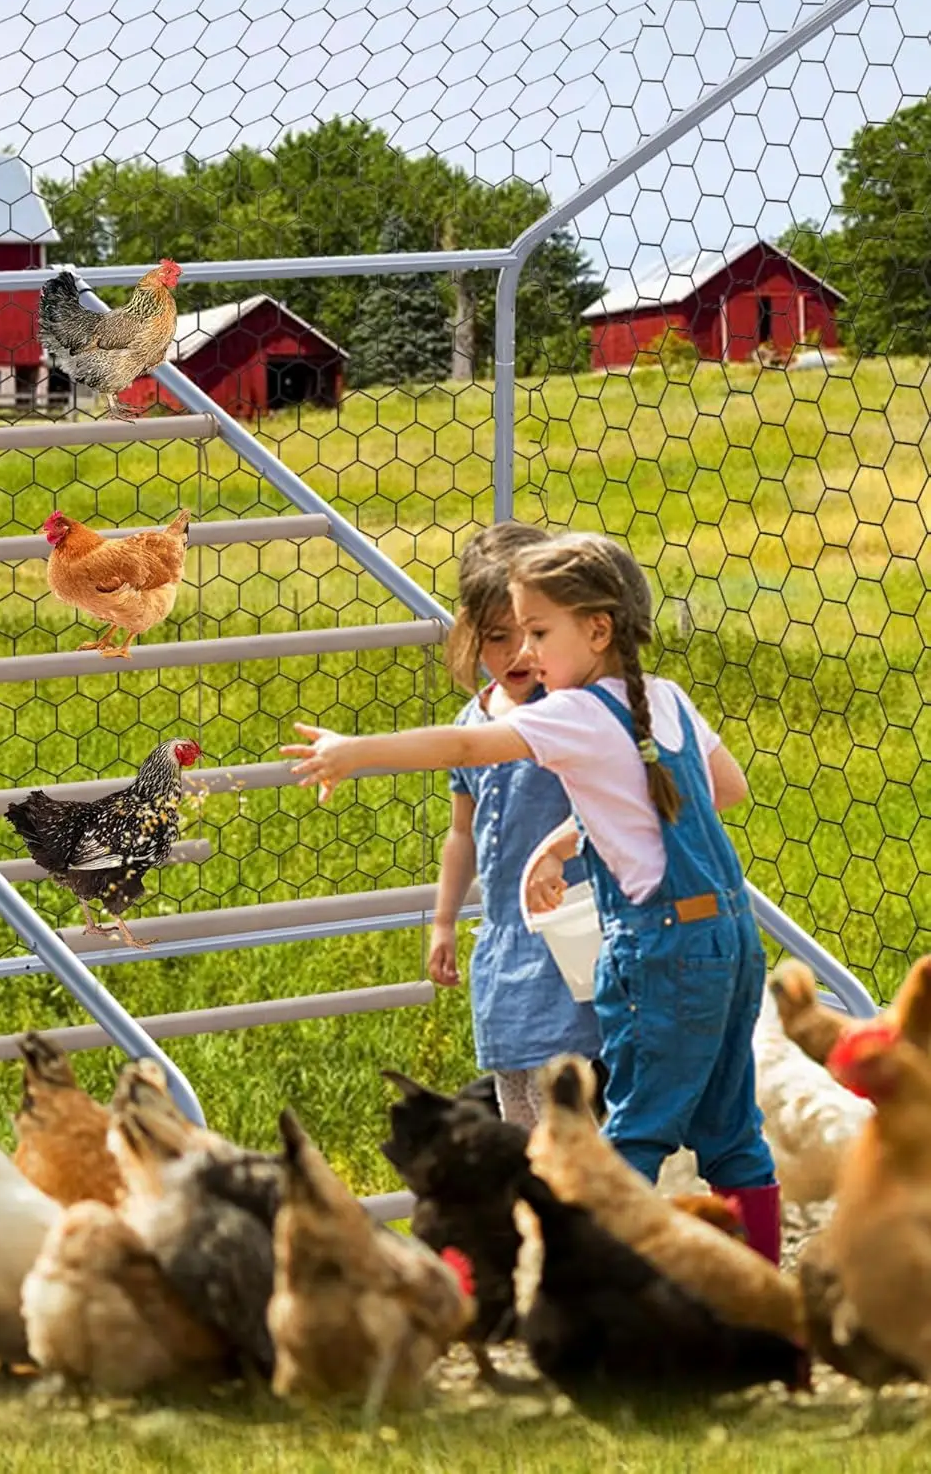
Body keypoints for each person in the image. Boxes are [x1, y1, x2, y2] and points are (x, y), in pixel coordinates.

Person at [283, 530, 779, 1263]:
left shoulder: (573, 713)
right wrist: (577, 834)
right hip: (730, 941)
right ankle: (767, 1305)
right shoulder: (664, 699)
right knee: (734, 1135)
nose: (530, 652)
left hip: (663, 949)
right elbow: (721, 789)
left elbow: (463, 748)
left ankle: (606, 1307)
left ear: (597, 629)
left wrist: (355, 750)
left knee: (629, 1138)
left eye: (541, 632)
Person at [432, 523, 601, 1128]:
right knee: (516, 1100)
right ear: (469, 633)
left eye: (532, 634)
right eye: (497, 638)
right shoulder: (472, 717)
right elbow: (461, 833)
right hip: (504, 940)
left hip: (570, 931)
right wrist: (445, 921)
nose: (516, 655)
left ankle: (583, 1205)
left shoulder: (568, 713)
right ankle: (534, 1206)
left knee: (573, 1101)